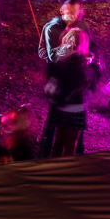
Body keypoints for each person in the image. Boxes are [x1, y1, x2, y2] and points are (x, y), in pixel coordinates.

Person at [38, 27, 98, 157]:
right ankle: (67, 172)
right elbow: (86, 83)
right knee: (71, 145)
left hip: (60, 106)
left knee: (58, 141)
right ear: (82, 43)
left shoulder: (59, 58)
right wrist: (92, 66)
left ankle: (54, 170)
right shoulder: (81, 62)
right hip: (76, 107)